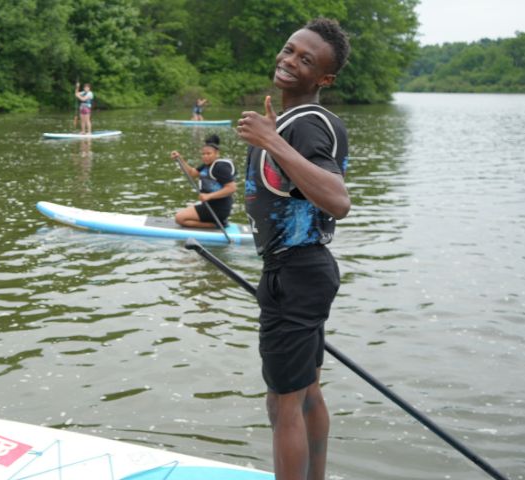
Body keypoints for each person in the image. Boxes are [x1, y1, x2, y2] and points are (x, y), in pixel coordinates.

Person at [236, 18, 351, 480]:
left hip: (296, 275)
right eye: (289, 50)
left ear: (324, 79)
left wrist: (270, 140)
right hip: (303, 274)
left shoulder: (302, 126)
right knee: (305, 393)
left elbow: (338, 200)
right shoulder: (295, 122)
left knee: (282, 403)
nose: (289, 61)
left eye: (306, 60)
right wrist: (272, 134)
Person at [170, 134, 236, 228]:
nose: (205, 156)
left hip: (219, 209)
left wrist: (209, 196)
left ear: (217, 153)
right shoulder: (206, 165)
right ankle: (217, 223)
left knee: (179, 218)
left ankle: (216, 225)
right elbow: (192, 173)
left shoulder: (220, 167)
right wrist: (179, 159)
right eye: (203, 154)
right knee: (180, 217)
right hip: (209, 206)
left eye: (209, 154)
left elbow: (232, 188)